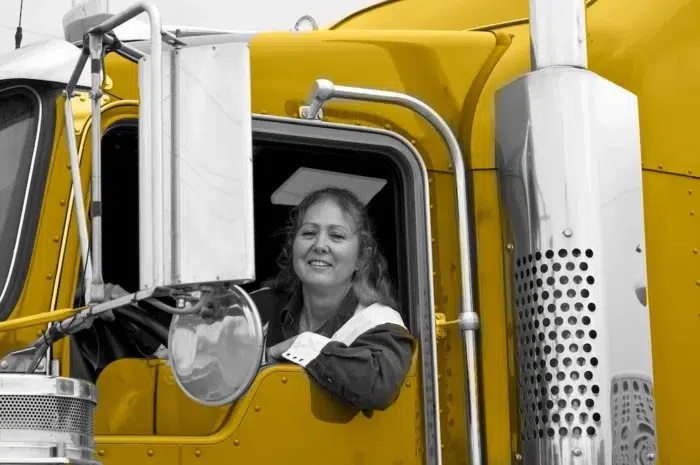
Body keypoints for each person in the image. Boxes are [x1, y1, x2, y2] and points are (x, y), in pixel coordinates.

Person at [250, 186, 416, 411]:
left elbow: (379, 384)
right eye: (308, 233)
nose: (319, 245)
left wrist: (302, 345)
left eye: (336, 236)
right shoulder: (257, 308)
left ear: (362, 257)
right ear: (292, 246)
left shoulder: (380, 323)